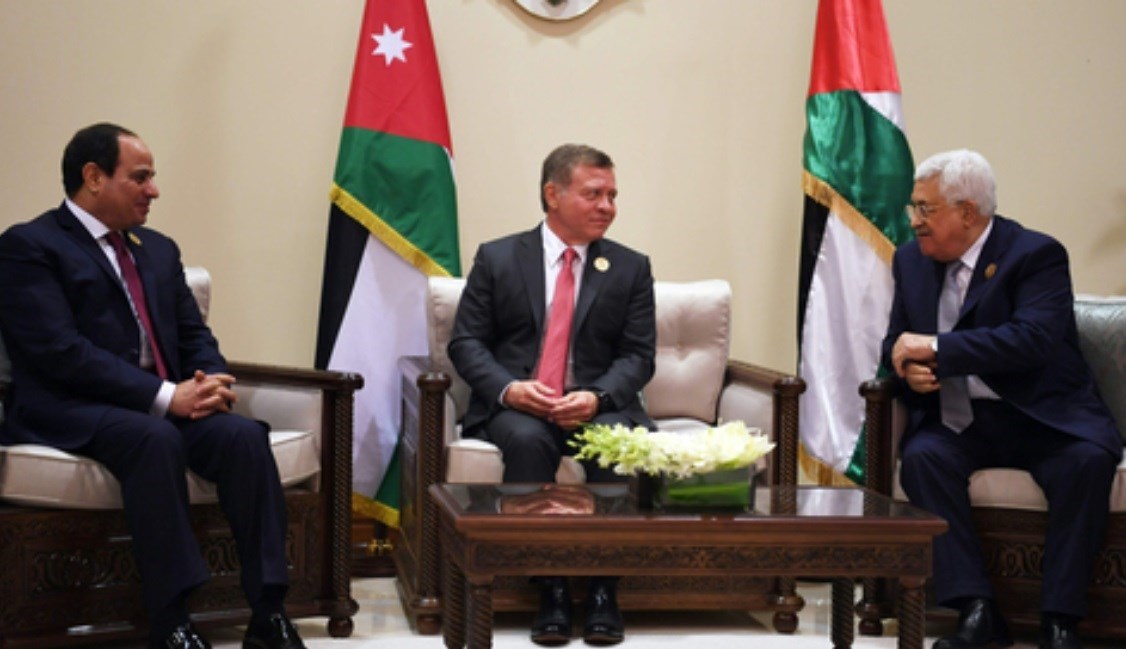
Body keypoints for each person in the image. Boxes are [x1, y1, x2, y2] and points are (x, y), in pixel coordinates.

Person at [0, 123, 305, 649]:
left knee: (242, 437)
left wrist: (209, 382)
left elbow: (194, 335)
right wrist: (166, 397)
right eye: (140, 177)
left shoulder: (158, 250)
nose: (154, 190)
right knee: (154, 438)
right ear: (93, 177)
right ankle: (171, 619)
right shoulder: (30, 246)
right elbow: (59, 352)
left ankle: (269, 611)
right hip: (71, 407)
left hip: (160, 405)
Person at [883, 149, 1122, 649]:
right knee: (923, 459)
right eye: (914, 208)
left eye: (925, 209)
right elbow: (897, 343)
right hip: (963, 421)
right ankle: (976, 610)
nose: (914, 221)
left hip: (1043, 418)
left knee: (1086, 463)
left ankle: (1060, 620)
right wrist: (910, 373)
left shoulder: (1035, 255)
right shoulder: (910, 260)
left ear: (967, 212)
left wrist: (937, 349)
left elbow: (1030, 340)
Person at [448, 143, 656, 646]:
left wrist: (598, 397)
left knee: (612, 442)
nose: (607, 206)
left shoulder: (629, 267)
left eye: (612, 195)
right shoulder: (498, 258)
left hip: (595, 405)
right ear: (553, 194)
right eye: (593, 194)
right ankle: (551, 588)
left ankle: (603, 590)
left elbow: (638, 356)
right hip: (521, 405)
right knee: (528, 441)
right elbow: (466, 342)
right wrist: (509, 389)